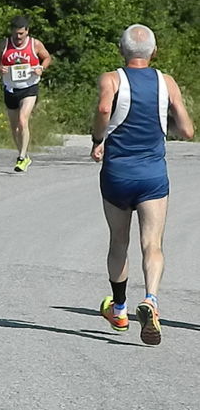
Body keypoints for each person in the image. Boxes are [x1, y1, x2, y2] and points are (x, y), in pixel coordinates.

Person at [91, 24, 194, 345]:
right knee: (153, 244)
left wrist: (98, 138)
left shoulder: (111, 79)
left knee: (118, 242)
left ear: (122, 51)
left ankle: (119, 308)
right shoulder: (167, 82)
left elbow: (105, 108)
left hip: (117, 174)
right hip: (152, 176)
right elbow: (188, 131)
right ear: (154, 51)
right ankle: (151, 300)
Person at [0, 15, 52, 172]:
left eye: (21, 34)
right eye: (15, 34)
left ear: (27, 31)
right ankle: (24, 155)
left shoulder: (35, 44)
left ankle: (21, 157)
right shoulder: (4, 44)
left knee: (22, 120)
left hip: (29, 87)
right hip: (10, 88)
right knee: (14, 127)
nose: (18, 37)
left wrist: (41, 68)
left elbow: (47, 58)